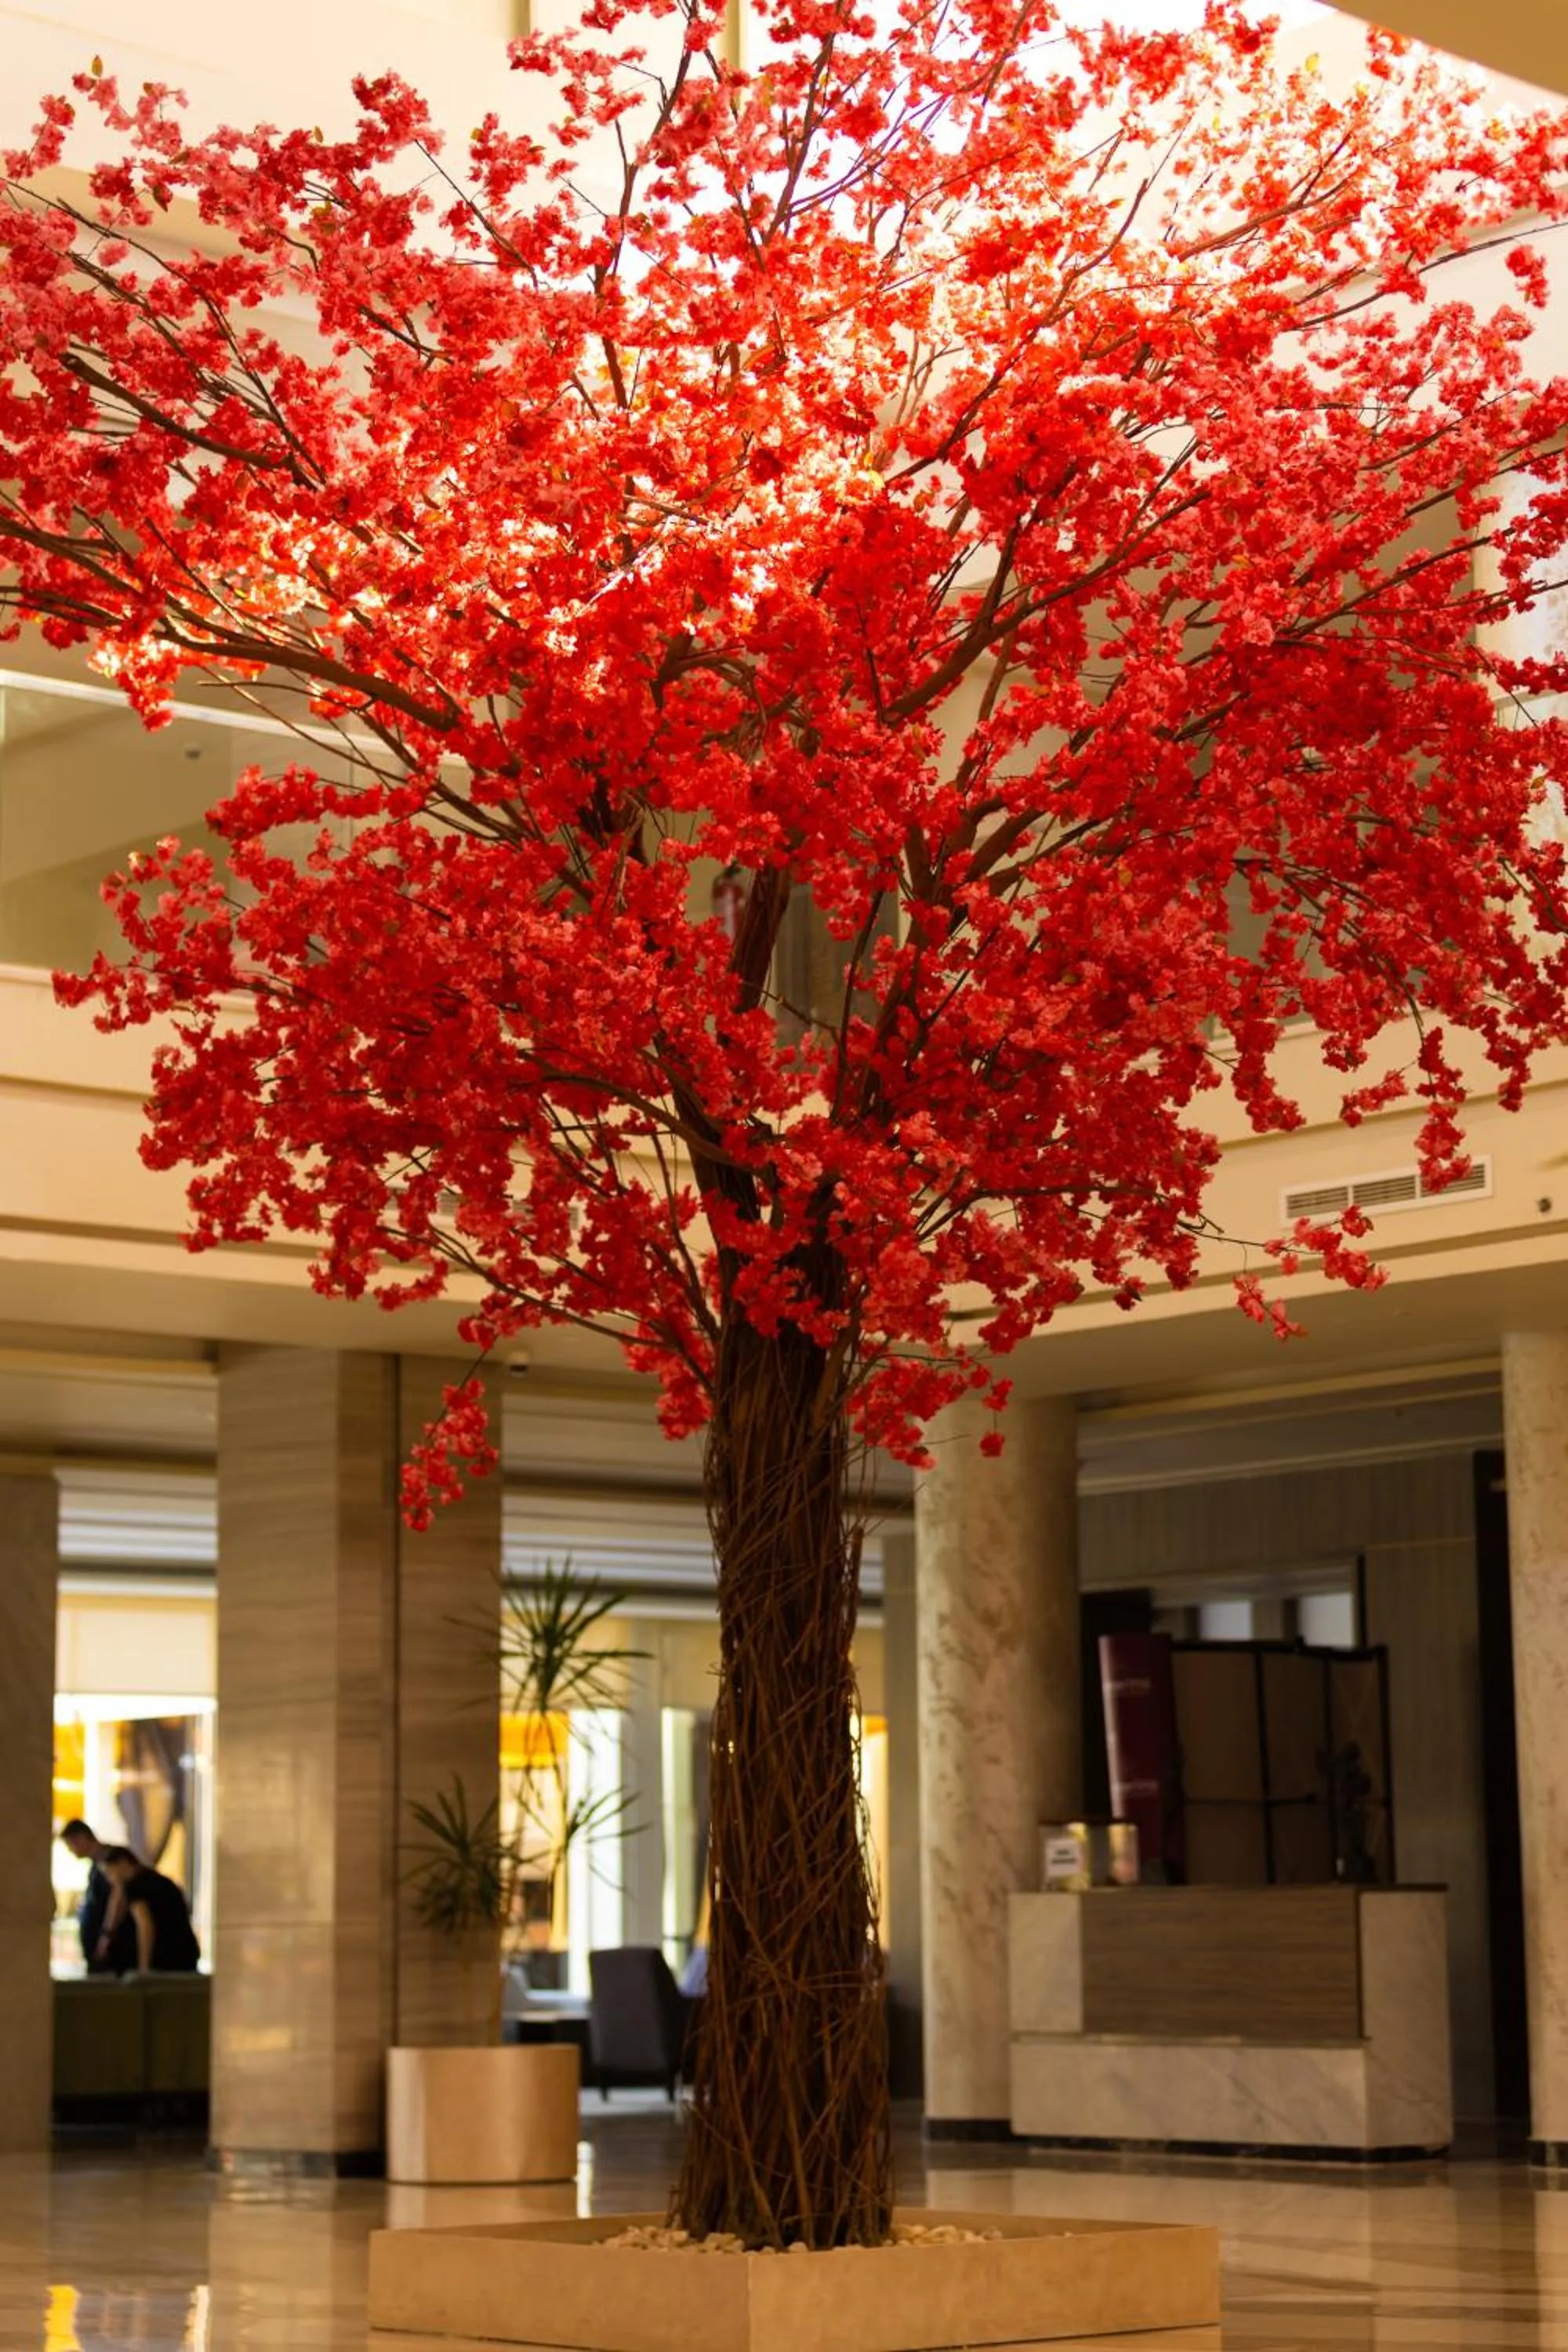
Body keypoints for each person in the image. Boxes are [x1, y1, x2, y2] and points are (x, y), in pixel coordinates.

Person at [57, 1820, 137, 1975]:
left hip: (113, 1949)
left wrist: (107, 1935)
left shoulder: (112, 1859)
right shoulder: (96, 1865)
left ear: (81, 1838)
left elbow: (118, 1896)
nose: (71, 1851)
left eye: (70, 1845)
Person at [101, 1849, 201, 1975]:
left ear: (123, 1863)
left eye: (110, 1872)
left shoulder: (136, 1885)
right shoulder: (158, 1880)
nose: (109, 1879)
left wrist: (144, 1968)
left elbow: (145, 1925)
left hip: (164, 1958)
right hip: (184, 1953)